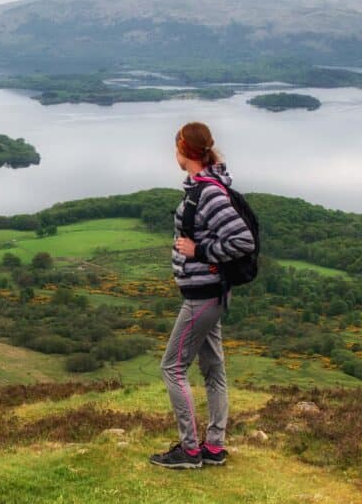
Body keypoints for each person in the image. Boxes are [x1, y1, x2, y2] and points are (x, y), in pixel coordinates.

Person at [149, 122, 256, 470]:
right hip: (211, 294)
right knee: (213, 370)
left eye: (176, 148)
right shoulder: (204, 186)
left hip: (203, 298)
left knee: (172, 367)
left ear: (184, 150)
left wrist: (199, 251)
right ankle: (214, 446)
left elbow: (242, 241)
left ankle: (190, 450)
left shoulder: (208, 193)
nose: (174, 154)